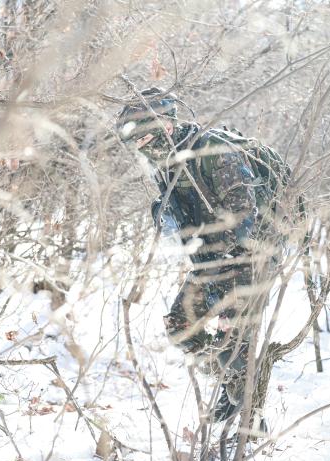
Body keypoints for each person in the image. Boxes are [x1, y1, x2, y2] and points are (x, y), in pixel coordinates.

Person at [117, 88, 290, 422]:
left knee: (235, 342)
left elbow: (243, 214)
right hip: (210, 262)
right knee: (182, 326)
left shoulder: (212, 150)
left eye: (142, 138)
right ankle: (231, 386)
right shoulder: (168, 165)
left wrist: (223, 267)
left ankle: (249, 423)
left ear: (164, 126)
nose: (140, 148)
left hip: (246, 260)